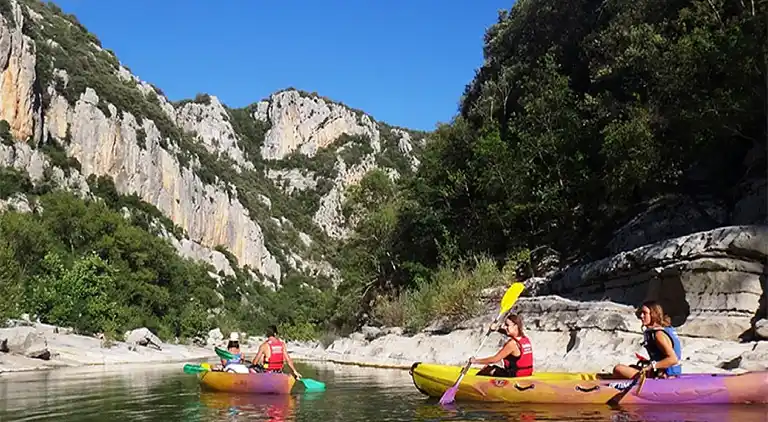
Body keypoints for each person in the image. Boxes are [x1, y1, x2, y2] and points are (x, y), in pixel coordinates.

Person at [613, 300, 682, 379]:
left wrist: (652, 365)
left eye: (645, 313)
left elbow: (673, 359)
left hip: (665, 377)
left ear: (653, 315)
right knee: (631, 367)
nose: (641, 316)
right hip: (660, 373)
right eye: (641, 313)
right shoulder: (660, 331)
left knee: (618, 369)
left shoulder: (658, 334)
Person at [469, 314, 534, 377]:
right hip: (526, 373)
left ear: (515, 326)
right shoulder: (525, 339)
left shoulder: (512, 344)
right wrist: (496, 329)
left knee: (487, 369)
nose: (504, 327)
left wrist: (475, 361)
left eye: (507, 325)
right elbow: (508, 333)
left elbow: (494, 359)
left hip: (514, 375)